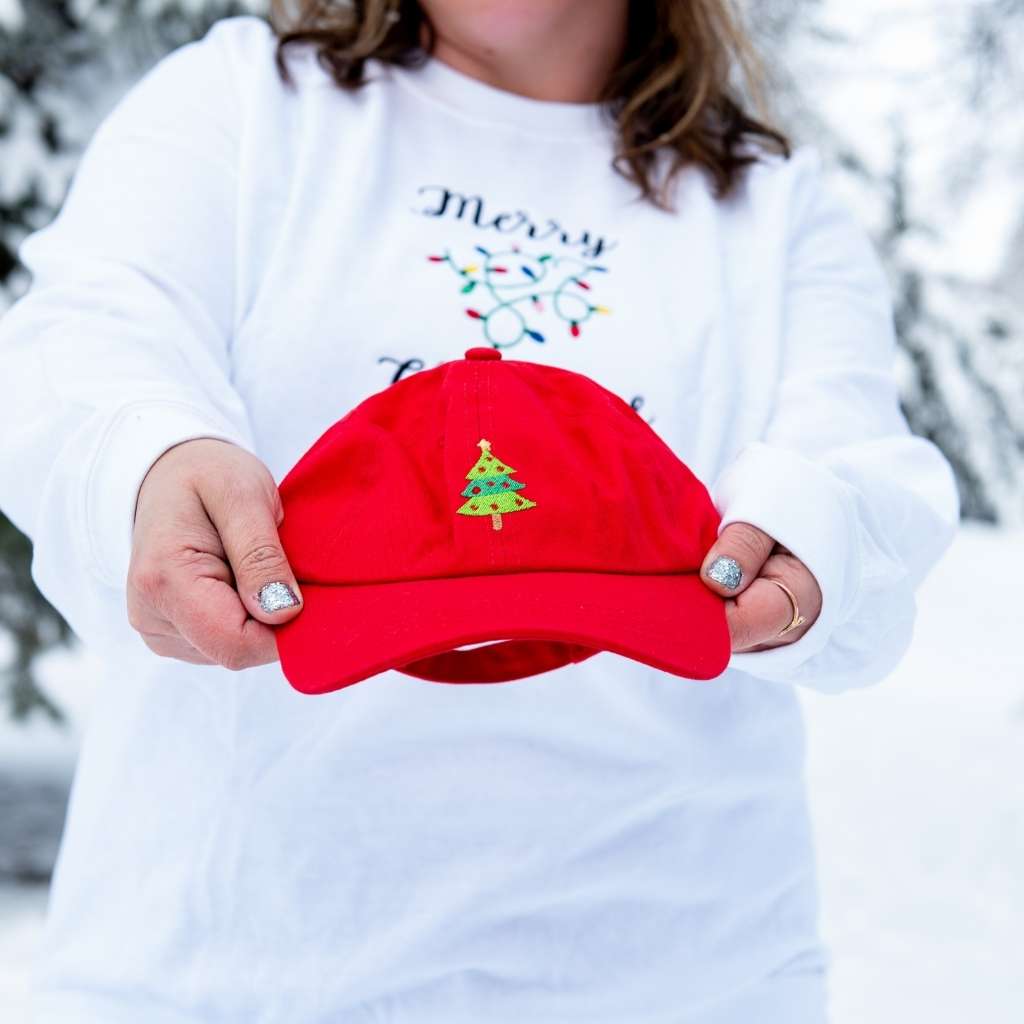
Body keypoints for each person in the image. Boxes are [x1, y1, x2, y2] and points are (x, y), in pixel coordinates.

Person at [0, 2, 959, 1021]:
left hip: (678, 980)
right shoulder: (241, 99)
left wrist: (819, 542)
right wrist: (147, 458)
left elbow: (856, 468)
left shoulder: (770, 205)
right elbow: (89, 339)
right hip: (229, 977)